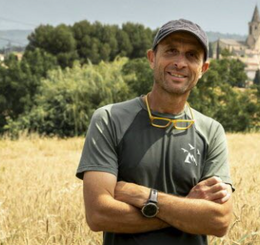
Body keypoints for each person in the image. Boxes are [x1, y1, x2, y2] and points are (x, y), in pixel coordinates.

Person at [75, 19, 234, 245]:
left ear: (203, 69)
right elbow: (99, 215)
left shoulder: (211, 131)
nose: (180, 62)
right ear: (152, 58)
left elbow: (219, 221)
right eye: (171, 51)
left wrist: (143, 197)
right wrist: (188, 208)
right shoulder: (110, 120)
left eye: (191, 55)